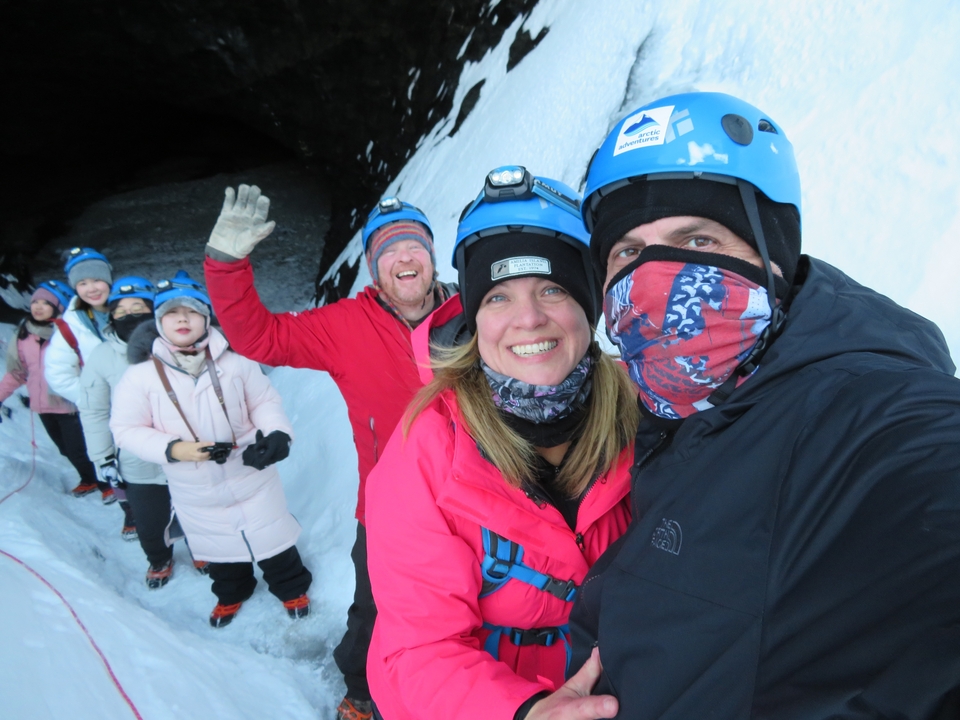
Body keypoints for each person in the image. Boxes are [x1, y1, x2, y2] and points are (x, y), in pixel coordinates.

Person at [568, 91, 960, 719]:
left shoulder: (858, 411)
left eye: (695, 238)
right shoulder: (670, 413)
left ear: (772, 256)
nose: (655, 280)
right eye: (628, 253)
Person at [364, 167, 637, 720]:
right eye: (497, 298)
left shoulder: (647, 410)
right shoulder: (428, 450)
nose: (528, 318)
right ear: (474, 316)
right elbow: (415, 650)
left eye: (553, 289)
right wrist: (526, 711)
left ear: (589, 305)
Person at [203, 185, 456, 720]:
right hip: (390, 508)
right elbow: (260, 337)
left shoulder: (475, 314)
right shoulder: (346, 325)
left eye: (414, 244)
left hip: (476, 502)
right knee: (375, 609)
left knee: (474, 607)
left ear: (432, 256)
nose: (404, 257)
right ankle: (361, 691)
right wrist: (226, 265)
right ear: (372, 266)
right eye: (388, 248)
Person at [110, 272, 312, 626]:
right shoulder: (140, 377)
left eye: (191, 311)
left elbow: (264, 401)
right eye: (172, 313)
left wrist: (277, 433)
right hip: (194, 486)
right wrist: (174, 449)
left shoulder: (236, 362)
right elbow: (125, 429)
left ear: (207, 318)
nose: (182, 319)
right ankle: (232, 593)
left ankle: (291, 586)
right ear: (158, 322)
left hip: (250, 473)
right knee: (218, 548)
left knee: (272, 536)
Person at [77, 276, 181, 588]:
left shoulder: (179, 343)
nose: (130, 315)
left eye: (139, 307)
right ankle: (159, 558)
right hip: (137, 458)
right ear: (110, 318)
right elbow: (94, 410)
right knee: (149, 521)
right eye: (120, 311)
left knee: (200, 510)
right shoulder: (101, 356)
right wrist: (103, 458)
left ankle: (204, 550)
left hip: (188, 451)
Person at [0, 280, 99, 495]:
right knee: (65, 450)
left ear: (59, 307)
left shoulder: (70, 333)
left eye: (46, 303)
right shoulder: (24, 334)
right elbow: (18, 372)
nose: (38, 306)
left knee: (79, 449)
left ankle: (105, 483)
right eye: (35, 301)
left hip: (70, 405)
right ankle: (90, 479)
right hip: (43, 406)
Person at [44, 246, 116, 502]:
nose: (92, 288)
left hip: (148, 400)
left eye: (97, 279)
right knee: (114, 463)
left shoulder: (131, 307)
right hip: (106, 411)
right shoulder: (71, 326)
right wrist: (93, 400)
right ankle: (131, 514)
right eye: (83, 283)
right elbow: (58, 373)